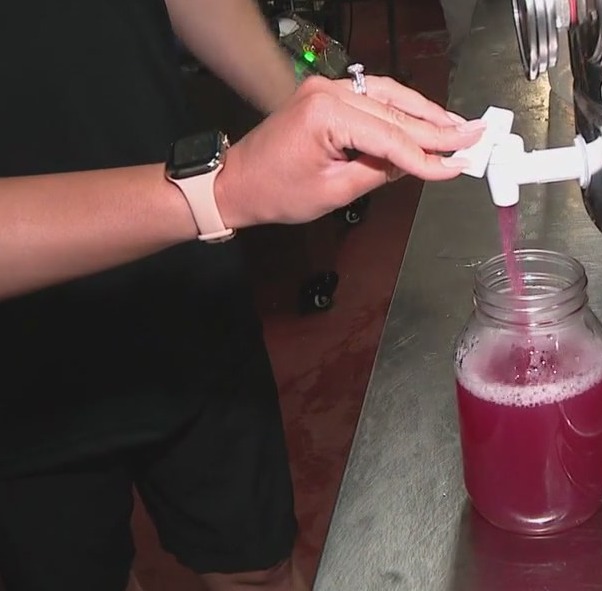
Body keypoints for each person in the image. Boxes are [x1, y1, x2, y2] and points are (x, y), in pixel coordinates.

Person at [0, 0, 483, 590]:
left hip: (184, 288)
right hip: (23, 371)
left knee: (258, 567)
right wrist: (221, 188)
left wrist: (304, 105)